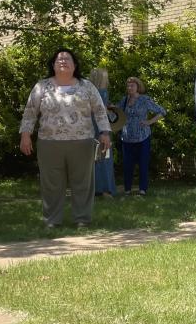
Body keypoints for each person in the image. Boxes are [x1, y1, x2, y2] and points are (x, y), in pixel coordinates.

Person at [20, 48, 111, 228]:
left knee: (82, 182)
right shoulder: (42, 86)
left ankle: (82, 219)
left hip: (82, 142)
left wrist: (105, 132)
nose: (63, 61)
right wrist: (25, 135)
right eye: (59, 59)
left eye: (67, 59)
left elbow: (100, 111)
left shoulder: (86, 86)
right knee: (51, 183)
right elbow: (30, 112)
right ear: (53, 65)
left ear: (75, 65)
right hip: (49, 142)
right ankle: (52, 220)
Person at [118, 76, 165, 196]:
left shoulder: (144, 100)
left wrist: (149, 122)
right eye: (128, 86)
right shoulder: (124, 100)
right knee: (127, 165)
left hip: (142, 137)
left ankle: (142, 190)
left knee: (143, 164)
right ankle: (127, 189)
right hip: (127, 138)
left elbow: (162, 111)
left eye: (132, 85)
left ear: (138, 87)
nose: (130, 88)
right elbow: (116, 115)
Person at [89, 68, 116, 198]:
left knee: (93, 159)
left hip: (90, 128)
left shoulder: (88, 91)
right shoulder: (102, 92)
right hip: (101, 128)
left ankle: (94, 189)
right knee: (104, 157)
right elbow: (102, 112)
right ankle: (105, 190)